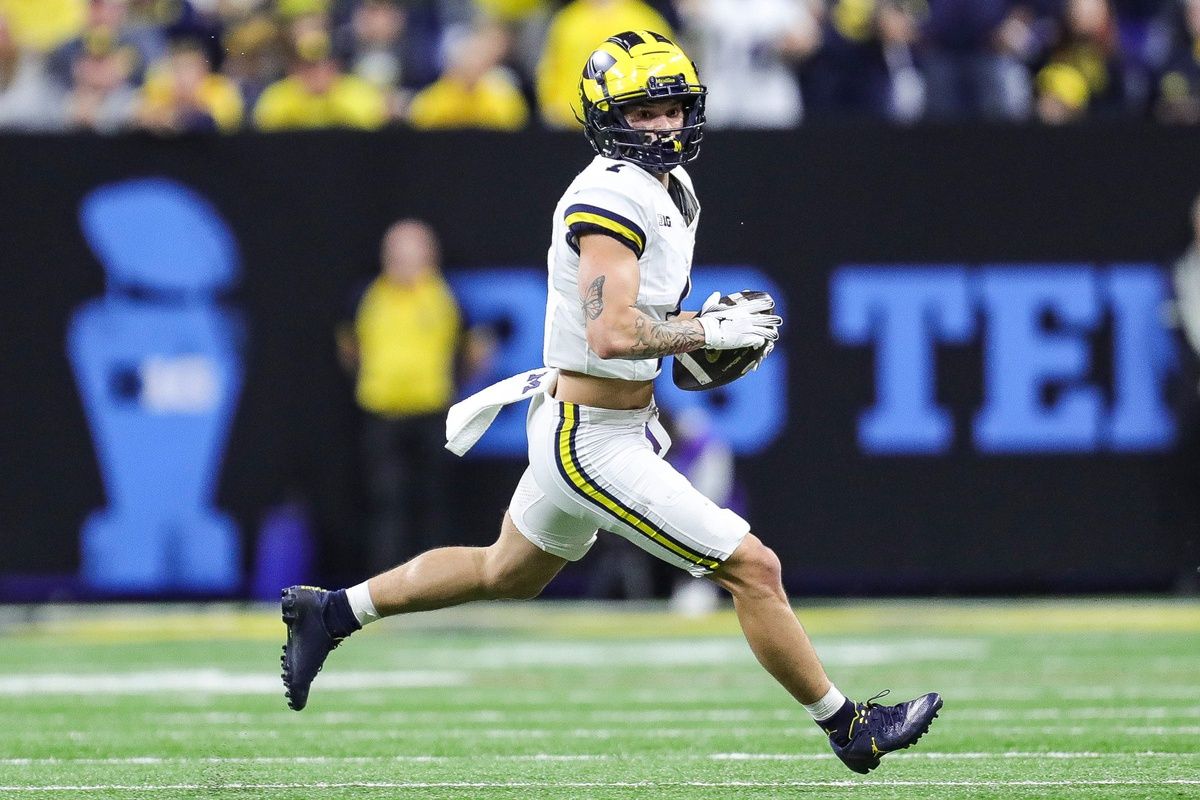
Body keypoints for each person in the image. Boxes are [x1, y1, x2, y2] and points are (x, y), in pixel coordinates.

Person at [281, 30, 942, 775]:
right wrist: (704, 329)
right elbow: (612, 328)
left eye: (672, 108)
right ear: (606, 118)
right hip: (590, 439)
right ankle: (848, 724)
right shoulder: (609, 197)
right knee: (753, 567)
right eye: (642, 112)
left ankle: (331, 611)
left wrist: (694, 341)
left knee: (507, 572)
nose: (662, 125)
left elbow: (642, 329)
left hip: (611, 419)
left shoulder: (672, 188)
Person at [335, 219, 485, 573]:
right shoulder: (367, 296)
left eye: (414, 251)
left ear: (430, 255)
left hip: (432, 412)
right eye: (398, 252)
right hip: (382, 414)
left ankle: (436, 582)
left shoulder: (446, 296)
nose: (406, 260)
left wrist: (455, 388)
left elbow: (476, 348)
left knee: (434, 501)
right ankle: (387, 582)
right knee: (387, 501)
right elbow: (346, 344)